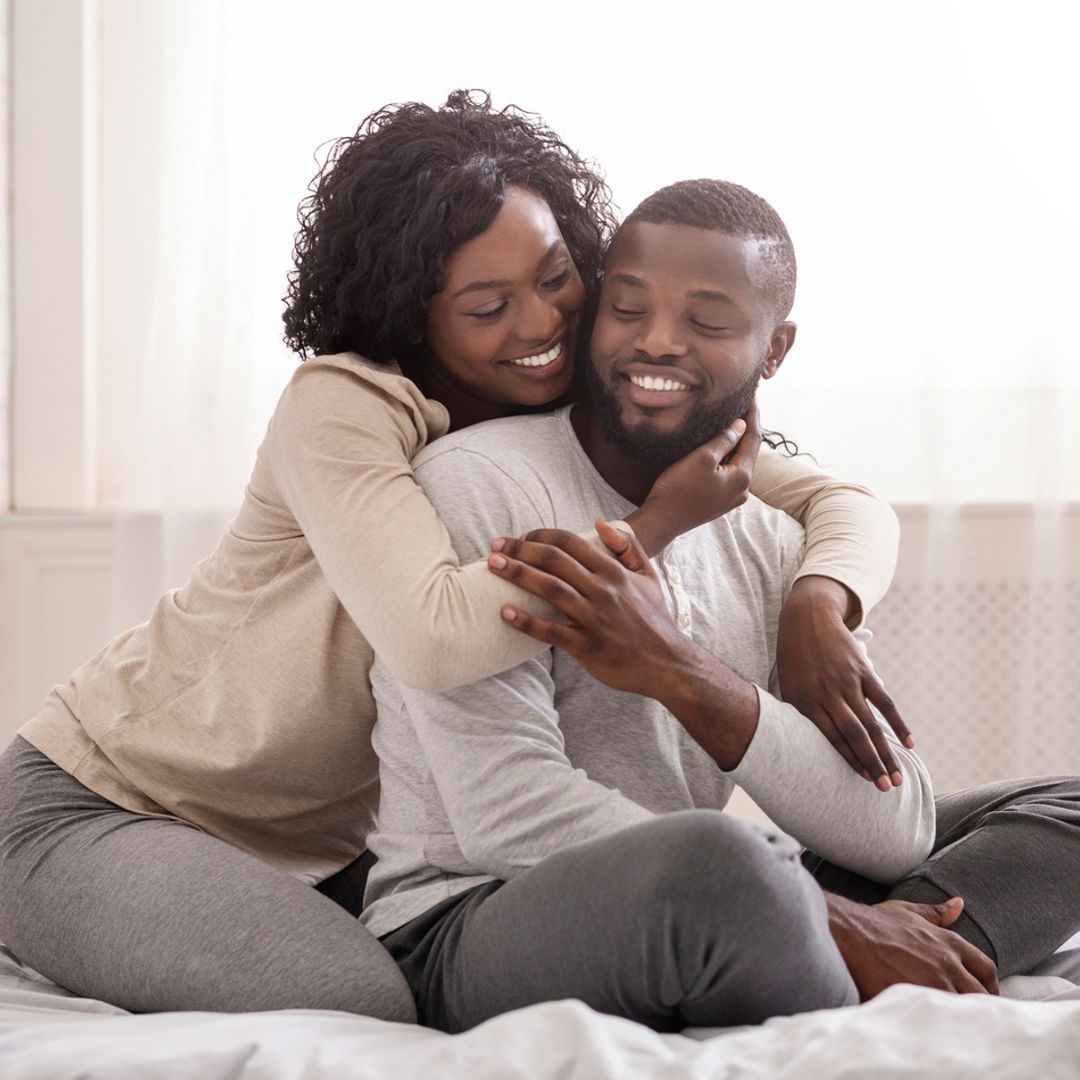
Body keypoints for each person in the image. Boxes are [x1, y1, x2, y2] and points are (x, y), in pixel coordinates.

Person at [0, 93, 899, 1020]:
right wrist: (655, 529)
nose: (541, 323)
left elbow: (841, 499)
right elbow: (434, 637)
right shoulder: (344, 405)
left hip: (327, 854)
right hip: (116, 804)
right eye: (487, 305)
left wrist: (818, 601)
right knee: (359, 1004)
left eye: (556, 277)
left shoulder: (566, 407)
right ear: (411, 314)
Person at [362, 178, 1080, 1032]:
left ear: (774, 349)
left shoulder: (775, 540)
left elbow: (895, 834)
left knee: (1064, 808)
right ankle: (860, 951)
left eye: (706, 323)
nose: (656, 343)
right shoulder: (481, 483)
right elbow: (502, 816)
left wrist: (683, 674)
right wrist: (832, 915)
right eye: (627, 309)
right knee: (728, 871)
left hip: (704, 887)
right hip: (471, 915)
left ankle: (892, 960)